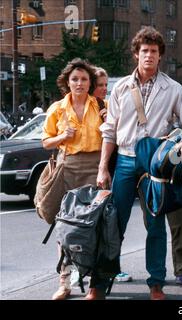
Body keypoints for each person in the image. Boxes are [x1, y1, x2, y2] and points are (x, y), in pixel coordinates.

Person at [96, 26, 182, 300]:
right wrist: (102, 168)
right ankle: (98, 285)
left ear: (160, 56)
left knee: (155, 224)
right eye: (144, 50)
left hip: (155, 164)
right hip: (124, 161)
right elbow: (109, 130)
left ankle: (156, 283)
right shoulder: (121, 87)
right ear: (136, 54)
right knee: (114, 224)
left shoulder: (173, 88)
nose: (148, 55)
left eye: (154, 51)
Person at [42, 58, 109, 300]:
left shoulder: (102, 105)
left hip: (95, 167)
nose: (79, 83)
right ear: (67, 82)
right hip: (67, 166)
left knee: (96, 226)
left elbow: (114, 137)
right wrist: (61, 137)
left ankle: (95, 284)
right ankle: (65, 282)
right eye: (75, 79)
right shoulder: (57, 108)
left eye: (84, 79)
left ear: (90, 82)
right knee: (66, 227)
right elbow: (45, 142)